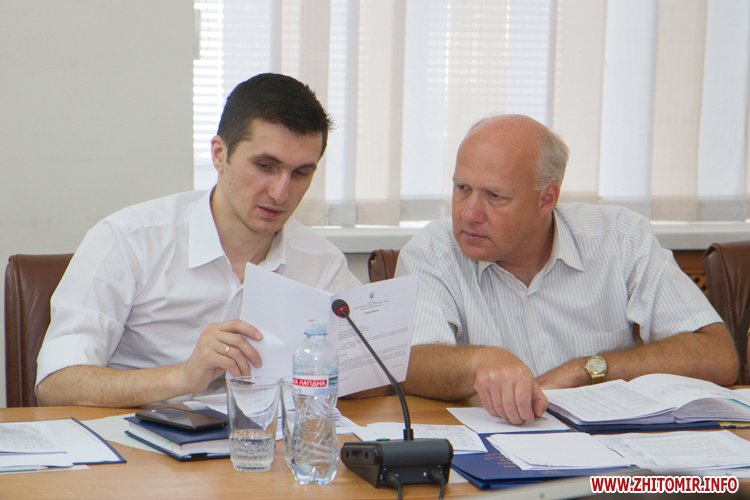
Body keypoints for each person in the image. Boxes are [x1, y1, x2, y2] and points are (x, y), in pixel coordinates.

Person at [35, 73, 360, 407]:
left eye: (300, 173)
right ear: (219, 154)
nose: (280, 193)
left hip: (269, 435)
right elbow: (56, 384)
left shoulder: (322, 261)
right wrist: (184, 376)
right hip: (141, 435)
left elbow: (373, 374)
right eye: (265, 166)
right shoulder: (129, 241)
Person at [396, 114, 739, 425]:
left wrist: (587, 369)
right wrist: (479, 362)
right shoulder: (432, 251)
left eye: (495, 196)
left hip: (613, 453)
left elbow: (717, 355)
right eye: (462, 188)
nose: (469, 214)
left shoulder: (620, 238)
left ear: (546, 199)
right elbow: (407, 363)